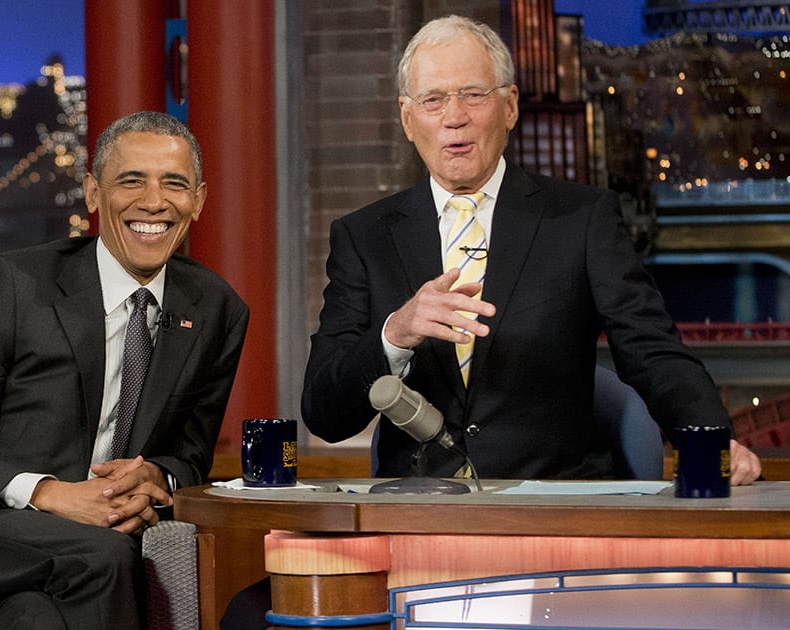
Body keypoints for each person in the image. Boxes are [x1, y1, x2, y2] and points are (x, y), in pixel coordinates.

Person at [221, 14, 760, 628]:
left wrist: (713, 441)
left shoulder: (580, 219)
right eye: (432, 99)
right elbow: (325, 409)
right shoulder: (363, 237)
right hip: (413, 528)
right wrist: (395, 332)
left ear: (508, 107)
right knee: (252, 614)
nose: (454, 116)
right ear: (407, 118)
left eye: (472, 94)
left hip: (551, 523)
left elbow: (651, 348)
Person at [0, 111, 249, 629]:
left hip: (57, 578)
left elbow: (190, 458)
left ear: (198, 200)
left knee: (37, 619)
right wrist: (49, 494)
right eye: (131, 181)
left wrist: (158, 475)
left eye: (173, 184)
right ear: (92, 194)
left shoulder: (217, 309)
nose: (153, 202)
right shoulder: (16, 285)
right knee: (105, 554)